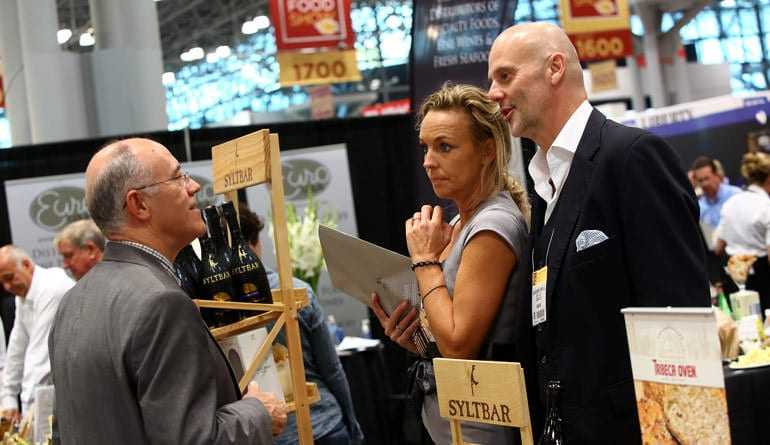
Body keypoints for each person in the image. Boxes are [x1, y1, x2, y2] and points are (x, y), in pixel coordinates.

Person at [487, 22, 710, 442]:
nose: (493, 93)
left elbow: (679, 317)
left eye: (505, 76)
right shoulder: (544, 184)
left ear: (555, 68)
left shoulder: (632, 158)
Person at [49, 138, 287, 444]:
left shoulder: (72, 303)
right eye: (178, 177)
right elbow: (193, 439)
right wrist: (258, 413)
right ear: (139, 204)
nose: (193, 187)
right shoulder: (160, 302)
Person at [372, 83, 531, 444]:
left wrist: (425, 259)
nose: (428, 161)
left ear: (487, 151)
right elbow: (446, 342)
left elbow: (460, 346)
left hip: (479, 429)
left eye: (444, 147)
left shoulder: (492, 226)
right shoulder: (461, 223)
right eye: (426, 147)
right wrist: (417, 340)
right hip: (448, 423)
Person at [239, 204, 364, 445]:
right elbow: (332, 370)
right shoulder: (296, 291)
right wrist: (352, 423)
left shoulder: (216, 308)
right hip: (325, 426)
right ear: (255, 242)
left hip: (272, 435)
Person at [0, 246, 74, 421]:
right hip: (57, 389)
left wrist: (28, 413)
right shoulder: (23, 294)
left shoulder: (51, 287)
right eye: (2, 282)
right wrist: (8, 399)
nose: (7, 287)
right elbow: (17, 348)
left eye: (9, 278)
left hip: (76, 387)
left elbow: (40, 358)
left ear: (27, 265)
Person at [715, 152, 770, 311]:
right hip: (762, 280)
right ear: (768, 179)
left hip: (733, 277)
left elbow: (718, 246)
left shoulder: (730, 203)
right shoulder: (766, 206)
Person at [691, 156, 741, 229]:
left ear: (716, 175)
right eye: (700, 180)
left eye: (707, 178)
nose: (705, 184)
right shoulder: (700, 208)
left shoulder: (736, 195)